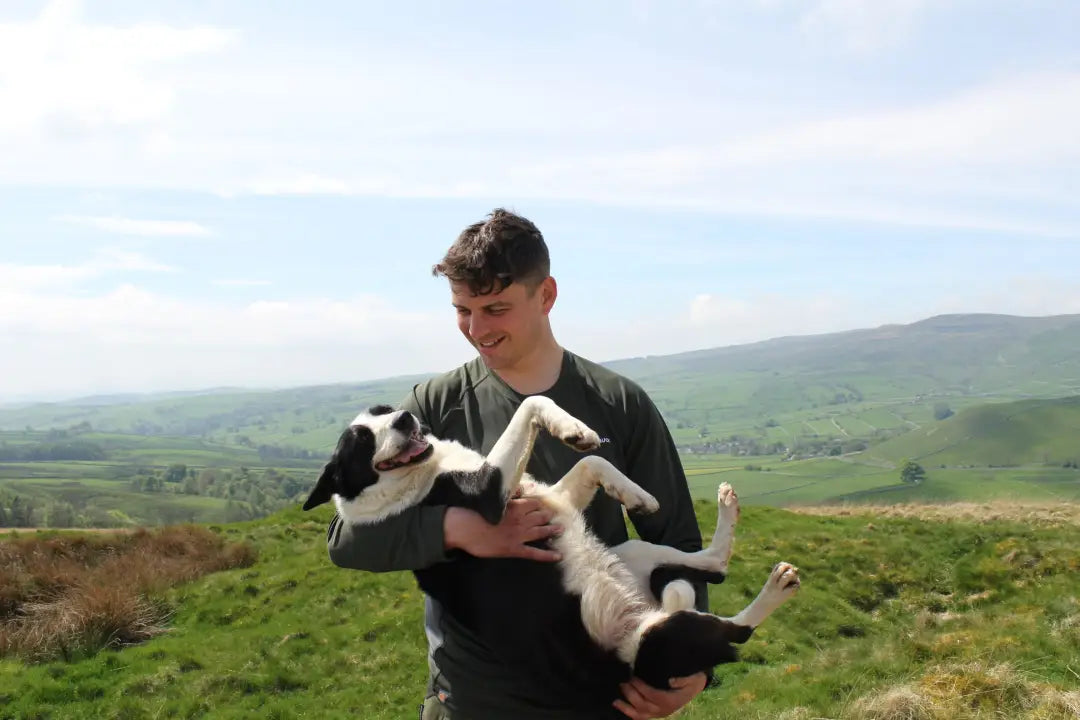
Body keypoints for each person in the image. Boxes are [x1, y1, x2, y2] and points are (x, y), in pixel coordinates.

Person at [324, 208, 710, 719]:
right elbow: (347, 538)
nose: (476, 329)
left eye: (496, 308)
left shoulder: (620, 404)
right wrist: (458, 528)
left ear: (545, 295)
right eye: (463, 309)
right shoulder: (437, 406)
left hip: (597, 699)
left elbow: (678, 542)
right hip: (471, 702)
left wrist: (694, 666)